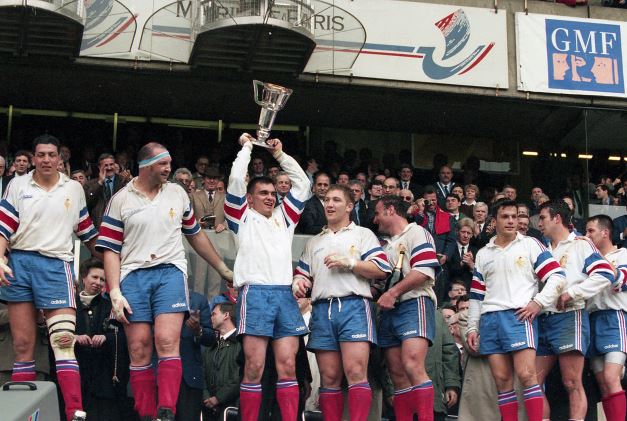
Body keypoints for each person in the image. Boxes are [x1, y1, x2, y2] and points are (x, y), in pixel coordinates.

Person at [97, 142, 233, 421]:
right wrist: (114, 292)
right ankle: (147, 414)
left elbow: (195, 234)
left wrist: (222, 269)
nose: (168, 169)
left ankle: (167, 409)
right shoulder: (120, 199)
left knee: (167, 339)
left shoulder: (177, 194)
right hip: (132, 275)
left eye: (170, 163)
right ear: (146, 166)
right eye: (163, 164)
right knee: (138, 348)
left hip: (170, 271)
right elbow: (110, 249)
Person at [0, 134, 100, 421]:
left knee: (64, 341)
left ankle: (74, 414)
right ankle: (25, 414)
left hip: (56, 265)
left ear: (60, 159)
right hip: (19, 263)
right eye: (40, 154)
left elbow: (87, 232)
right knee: (22, 347)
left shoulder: (74, 189)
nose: (46, 159)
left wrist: (114, 260)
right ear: (33, 158)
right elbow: (3, 228)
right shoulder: (17, 185)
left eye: (51, 155)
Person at [224, 133, 310, 421]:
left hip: (284, 294)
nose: (270, 198)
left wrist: (280, 155)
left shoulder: (284, 218)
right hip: (256, 294)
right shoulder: (240, 217)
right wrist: (247, 148)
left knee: (288, 365)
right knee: (254, 366)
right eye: (263, 193)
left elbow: (304, 184)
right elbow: (236, 179)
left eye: (273, 194)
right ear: (249, 198)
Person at [293, 184, 391, 421]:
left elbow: (382, 269)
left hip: (354, 306)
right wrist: (298, 281)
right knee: (329, 377)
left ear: (349, 206)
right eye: (326, 199)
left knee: (356, 371)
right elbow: (302, 273)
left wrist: (351, 263)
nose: (329, 204)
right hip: (322, 309)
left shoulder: (363, 234)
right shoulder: (314, 241)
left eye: (336, 200)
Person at [467, 199, 567, 421]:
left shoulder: (530, 244)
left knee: (527, 375)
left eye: (515, 216)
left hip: (518, 317)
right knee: (502, 381)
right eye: (505, 217)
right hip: (490, 319)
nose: (512, 221)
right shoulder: (484, 253)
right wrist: (472, 327)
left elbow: (558, 276)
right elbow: (476, 296)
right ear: (494, 221)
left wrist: (538, 302)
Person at [535, 200, 619, 421]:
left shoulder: (580, 244)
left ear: (557, 218)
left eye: (543, 217)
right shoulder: (541, 248)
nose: (539, 223)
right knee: (532, 382)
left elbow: (605, 274)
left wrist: (572, 293)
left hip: (570, 316)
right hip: (543, 318)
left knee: (571, 381)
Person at [372, 194, 441, 421]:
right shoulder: (385, 245)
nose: (375, 220)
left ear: (391, 210)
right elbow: (381, 284)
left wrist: (392, 292)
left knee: (412, 364)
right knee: (397, 374)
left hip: (415, 303)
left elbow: (424, 271)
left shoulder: (417, 232)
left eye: (378, 213)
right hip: (390, 311)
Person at [74, 258, 134, 421]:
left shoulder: (112, 306)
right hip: (77, 377)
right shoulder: (69, 305)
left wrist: (107, 337)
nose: (98, 282)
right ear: (84, 277)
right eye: (94, 277)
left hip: (105, 380)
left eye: (103, 279)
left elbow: (125, 336)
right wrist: (75, 338)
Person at [585, 214, 627, 421]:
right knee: (602, 382)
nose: (587, 236)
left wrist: (593, 256)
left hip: (614, 318)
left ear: (605, 232)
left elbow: (620, 281)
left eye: (591, 231)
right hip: (591, 320)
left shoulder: (622, 254)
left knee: (612, 377)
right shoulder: (587, 260)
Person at [177, 291, 215, 421]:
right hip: (158, 374)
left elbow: (210, 339)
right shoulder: (154, 296)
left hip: (189, 375)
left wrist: (198, 330)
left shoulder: (199, 300)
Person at [202, 302, 242, 421]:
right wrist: (207, 398)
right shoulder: (210, 346)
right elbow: (202, 374)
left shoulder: (241, 343)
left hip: (233, 408)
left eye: (213, 314)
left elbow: (239, 376)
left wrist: (218, 398)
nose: (210, 318)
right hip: (209, 410)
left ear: (226, 315)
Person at [84, 153, 129, 229]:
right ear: (99, 167)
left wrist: (128, 181)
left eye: (111, 164)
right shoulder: (90, 184)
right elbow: (87, 202)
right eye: (106, 165)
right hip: (99, 225)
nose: (109, 167)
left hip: (120, 223)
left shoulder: (123, 181)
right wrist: (100, 183)